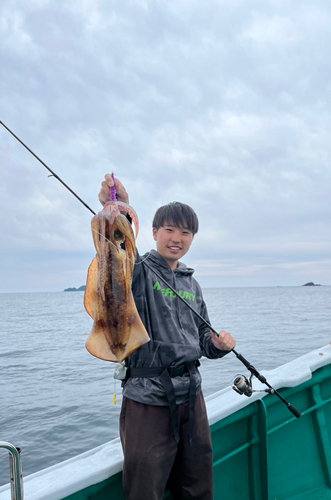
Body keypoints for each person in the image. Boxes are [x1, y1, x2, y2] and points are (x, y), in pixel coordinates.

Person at [98, 174, 236, 500]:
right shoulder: (139, 270)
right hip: (148, 398)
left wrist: (216, 345)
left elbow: (202, 335)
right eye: (170, 230)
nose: (177, 238)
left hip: (192, 394)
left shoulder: (191, 283)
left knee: (197, 483)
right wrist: (116, 209)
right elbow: (116, 256)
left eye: (185, 232)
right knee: (145, 488)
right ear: (155, 232)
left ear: (192, 238)